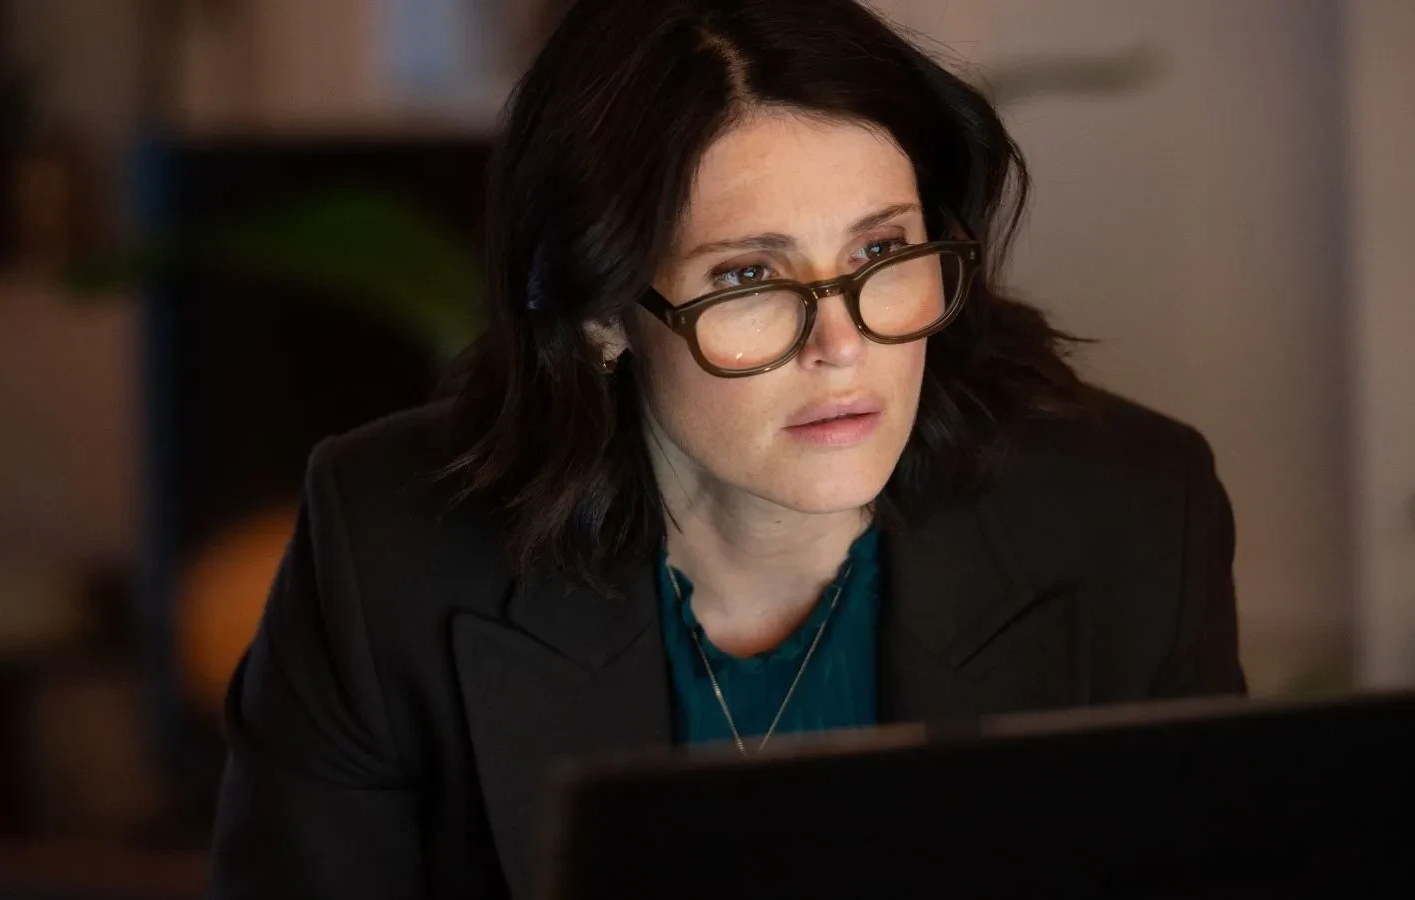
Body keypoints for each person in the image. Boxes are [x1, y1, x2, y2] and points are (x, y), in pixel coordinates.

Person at [209, 0, 1246, 897]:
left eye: (881, 249)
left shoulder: (1136, 516)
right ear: (600, 312)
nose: (843, 346)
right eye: (749, 278)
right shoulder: (385, 552)